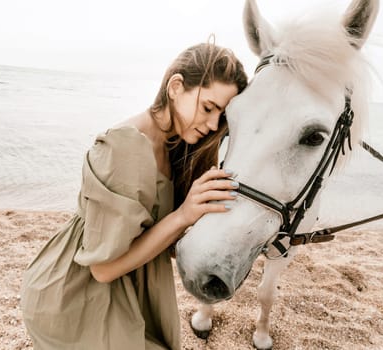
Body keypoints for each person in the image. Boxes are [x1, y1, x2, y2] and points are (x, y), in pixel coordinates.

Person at [20, 40, 248, 350]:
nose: (211, 125)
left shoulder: (176, 147)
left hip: (130, 285)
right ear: (176, 87)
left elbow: (161, 240)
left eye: (220, 117)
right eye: (208, 108)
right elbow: (102, 269)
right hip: (75, 296)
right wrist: (183, 215)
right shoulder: (124, 146)